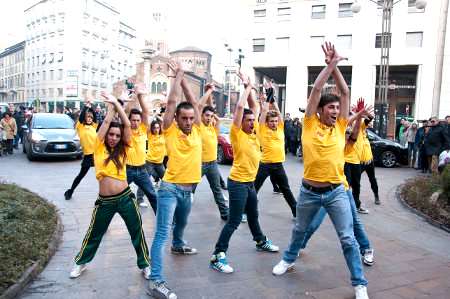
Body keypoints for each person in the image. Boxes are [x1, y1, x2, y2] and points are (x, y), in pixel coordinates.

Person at [272, 42, 369, 299]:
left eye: (338, 109)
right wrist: (329, 65)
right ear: (321, 110)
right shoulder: (308, 124)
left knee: (347, 239)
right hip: (309, 192)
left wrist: (336, 66)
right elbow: (316, 89)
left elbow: (345, 92)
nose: (336, 111)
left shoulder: (340, 127)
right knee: (299, 230)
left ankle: (359, 283)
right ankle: (288, 259)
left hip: (336, 192)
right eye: (331, 108)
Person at [69, 92, 150, 280]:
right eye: (111, 135)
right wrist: (113, 104)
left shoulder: (124, 148)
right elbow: (105, 123)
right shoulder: (99, 146)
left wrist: (118, 105)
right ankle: (81, 263)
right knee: (94, 234)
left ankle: (145, 264)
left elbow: (127, 125)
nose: (113, 137)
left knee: (136, 231)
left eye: (116, 135)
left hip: (125, 198)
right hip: (105, 201)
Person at [210, 70, 279, 275]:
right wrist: (247, 87)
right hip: (238, 183)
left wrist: (253, 90)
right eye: (248, 121)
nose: (251, 122)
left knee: (254, 216)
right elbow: (241, 107)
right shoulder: (237, 134)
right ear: (241, 123)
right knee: (233, 221)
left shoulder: (255, 133)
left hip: (249, 183)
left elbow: (254, 107)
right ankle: (217, 255)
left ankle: (260, 241)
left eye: (252, 120)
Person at [295, 101, 375, 266]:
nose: (343, 134)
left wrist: (359, 116)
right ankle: (298, 245)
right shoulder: (328, 136)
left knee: (354, 222)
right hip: (320, 189)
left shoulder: (346, 146)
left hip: (340, 190)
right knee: (313, 223)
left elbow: (353, 133)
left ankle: (367, 248)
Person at [148, 61, 201, 299]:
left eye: (191, 118)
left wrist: (186, 81)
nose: (189, 122)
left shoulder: (199, 130)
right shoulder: (170, 130)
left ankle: (178, 245)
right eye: (185, 118)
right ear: (177, 119)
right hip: (169, 190)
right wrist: (178, 75)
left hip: (187, 191)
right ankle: (155, 281)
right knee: (162, 234)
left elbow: (194, 103)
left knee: (181, 224)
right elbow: (172, 103)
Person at [254, 98, 297, 218]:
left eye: (275, 121)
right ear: (267, 122)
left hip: (278, 165)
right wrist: (268, 100)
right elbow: (263, 114)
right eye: (271, 121)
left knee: (286, 189)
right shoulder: (262, 129)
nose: (274, 123)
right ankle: (245, 212)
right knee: (254, 189)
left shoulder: (280, 128)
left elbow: (278, 113)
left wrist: (274, 102)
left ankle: (295, 211)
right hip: (265, 165)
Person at [124, 83, 158, 212]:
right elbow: (126, 112)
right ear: (129, 120)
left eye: (138, 120)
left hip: (142, 170)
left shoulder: (143, 129)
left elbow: (145, 112)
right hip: (127, 170)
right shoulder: (125, 130)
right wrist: (132, 97)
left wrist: (139, 96)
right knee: (115, 197)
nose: (136, 122)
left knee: (153, 196)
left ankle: (164, 223)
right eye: (133, 120)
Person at [64, 98, 98, 200]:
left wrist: (91, 107)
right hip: (88, 156)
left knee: (104, 175)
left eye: (91, 118)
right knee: (80, 176)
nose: (89, 119)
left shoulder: (94, 126)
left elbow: (95, 116)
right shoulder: (80, 127)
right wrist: (85, 107)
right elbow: (81, 116)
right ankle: (70, 191)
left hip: (97, 155)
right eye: (88, 117)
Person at [136, 118, 166, 203]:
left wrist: (158, 116)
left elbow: (164, 123)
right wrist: (153, 118)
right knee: (144, 180)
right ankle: (139, 199)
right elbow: (147, 125)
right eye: (154, 128)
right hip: (149, 162)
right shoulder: (149, 135)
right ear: (152, 128)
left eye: (158, 127)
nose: (156, 130)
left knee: (167, 180)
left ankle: (168, 196)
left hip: (160, 163)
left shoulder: (163, 134)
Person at [359, 115, 380, 205]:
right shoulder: (356, 133)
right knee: (355, 181)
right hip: (359, 163)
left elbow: (369, 119)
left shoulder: (364, 132)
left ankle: (376, 196)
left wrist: (365, 113)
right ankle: (355, 199)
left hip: (369, 162)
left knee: (372, 179)